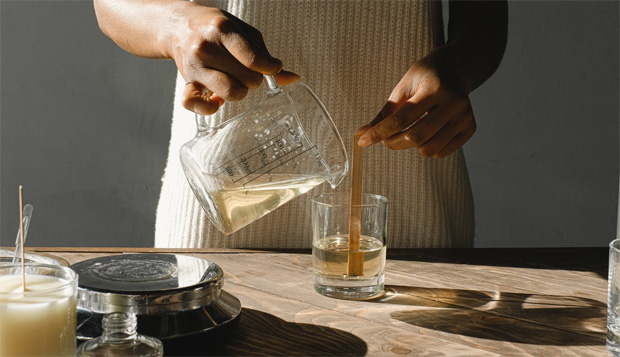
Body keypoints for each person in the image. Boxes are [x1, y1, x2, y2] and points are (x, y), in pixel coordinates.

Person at [93, 0, 508, 248]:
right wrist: (177, 28)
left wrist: (457, 67)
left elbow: (484, 17)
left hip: (412, 208)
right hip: (220, 204)